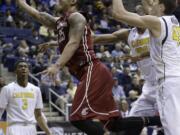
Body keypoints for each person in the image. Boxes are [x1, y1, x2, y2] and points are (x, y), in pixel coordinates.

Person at [17, 0, 162, 134]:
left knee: (77, 118)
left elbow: (74, 43)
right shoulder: (61, 23)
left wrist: (57, 65)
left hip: (93, 70)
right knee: (113, 124)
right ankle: (158, 120)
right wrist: (22, 3)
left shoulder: (77, 17)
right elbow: (39, 15)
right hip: (99, 74)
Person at [112, 0, 179, 134]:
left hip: (168, 82)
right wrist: (139, 56)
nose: (151, 6)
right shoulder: (174, 22)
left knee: (173, 130)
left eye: (154, 3)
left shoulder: (157, 22)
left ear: (161, 7)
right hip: (176, 79)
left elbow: (118, 13)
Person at [0, 60, 52, 135]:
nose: (23, 68)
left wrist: (48, 132)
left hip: (31, 128)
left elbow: (38, 115)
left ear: (28, 71)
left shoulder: (36, 90)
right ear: (15, 71)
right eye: (20, 67)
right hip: (14, 128)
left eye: (25, 67)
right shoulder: (7, 89)